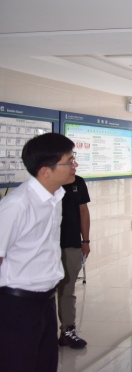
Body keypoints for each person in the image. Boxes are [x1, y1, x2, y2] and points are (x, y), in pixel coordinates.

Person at [0, 133, 75, 371]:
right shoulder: (17, 204)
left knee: (46, 363)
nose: (74, 166)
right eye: (69, 161)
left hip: (45, 300)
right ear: (45, 171)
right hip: (17, 304)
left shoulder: (55, 198)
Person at [57, 173, 91, 349]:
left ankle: (67, 331)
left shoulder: (78, 182)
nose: (74, 164)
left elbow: (83, 211)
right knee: (44, 292)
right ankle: (42, 334)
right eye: (69, 160)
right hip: (47, 246)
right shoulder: (45, 182)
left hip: (71, 243)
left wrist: (85, 240)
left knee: (67, 289)